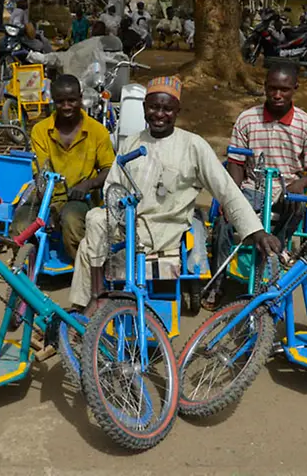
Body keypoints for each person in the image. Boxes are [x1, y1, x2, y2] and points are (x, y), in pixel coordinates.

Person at [69, 76, 282, 316]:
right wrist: (117, 214)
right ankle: (87, 303)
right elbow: (112, 189)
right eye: (153, 107)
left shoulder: (193, 146)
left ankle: (92, 302)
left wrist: (256, 231)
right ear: (143, 108)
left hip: (163, 229)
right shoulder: (131, 142)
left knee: (94, 234)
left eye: (167, 109)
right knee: (94, 226)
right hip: (125, 224)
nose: (159, 114)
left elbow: (226, 189)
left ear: (177, 111)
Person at [205, 65, 307, 308]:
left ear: (294, 89)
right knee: (224, 221)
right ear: (265, 88)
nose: (277, 95)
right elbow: (236, 163)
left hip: (285, 188)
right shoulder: (247, 119)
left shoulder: (306, 124)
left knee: (297, 207)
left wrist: (299, 183)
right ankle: (218, 284)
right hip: (253, 186)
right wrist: (232, 197)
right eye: (272, 89)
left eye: (284, 89)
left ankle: (275, 256)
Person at [10, 75, 115, 260]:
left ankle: (83, 271)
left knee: (72, 221)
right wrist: (47, 209)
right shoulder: (41, 130)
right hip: (46, 196)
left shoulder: (98, 131)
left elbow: (109, 169)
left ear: (81, 98)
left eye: (72, 100)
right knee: (21, 224)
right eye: (60, 102)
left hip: (81, 197)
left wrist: (87, 185)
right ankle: (27, 270)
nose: (66, 106)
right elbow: (40, 174)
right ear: (53, 101)